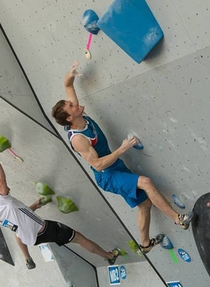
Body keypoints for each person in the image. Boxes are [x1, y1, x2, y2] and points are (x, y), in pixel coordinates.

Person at [51, 61, 194, 254]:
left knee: (144, 204)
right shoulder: (78, 140)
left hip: (115, 167)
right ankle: (179, 220)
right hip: (107, 175)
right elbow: (99, 165)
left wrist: (70, 73)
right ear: (69, 118)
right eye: (71, 106)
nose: (74, 104)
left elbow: (68, 85)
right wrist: (123, 148)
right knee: (146, 182)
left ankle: (144, 245)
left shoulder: (77, 114)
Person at [0, 136, 120, 269]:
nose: (5, 186)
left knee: (18, 233)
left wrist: (35, 206)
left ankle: (27, 259)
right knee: (79, 238)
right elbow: (1, 178)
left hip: (32, 238)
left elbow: (19, 219)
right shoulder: (3, 200)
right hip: (46, 231)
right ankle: (109, 256)